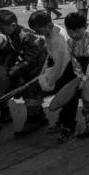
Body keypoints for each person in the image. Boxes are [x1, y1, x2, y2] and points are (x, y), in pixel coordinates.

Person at [0, 9, 49, 136]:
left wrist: (14, 71)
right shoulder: (12, 35)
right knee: (30, 93)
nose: (0, 31)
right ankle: (40, 117)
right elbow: (14, 52)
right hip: (30, 68)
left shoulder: (26, 36)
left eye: (1, 28)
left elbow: (31, 58)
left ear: (12, 25)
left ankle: (33, 121)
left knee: (31, 94)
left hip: (39, 69)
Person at [28, 10, 77, 142]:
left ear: (48, 25)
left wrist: (47, 80)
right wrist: (44, 73)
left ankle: (69, 128)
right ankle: (62, 122)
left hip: (69, 69)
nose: (38, 34)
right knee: (63, 96)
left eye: (39, 30)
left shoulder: (58, 38)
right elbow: (51, 58)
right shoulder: (50, 33)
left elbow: (60, 64)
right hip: (61, 66)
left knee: (68, 98)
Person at [65, 11, 89, 139]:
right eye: (70, 32)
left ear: (85, 27)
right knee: (87, 102)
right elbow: (74, 62)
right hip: (82, 74)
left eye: (77, 31)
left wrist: (86, 80)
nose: (73, 35)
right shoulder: (70, 42)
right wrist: (80, 77)